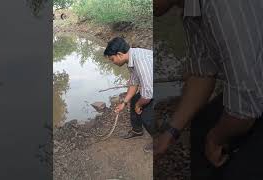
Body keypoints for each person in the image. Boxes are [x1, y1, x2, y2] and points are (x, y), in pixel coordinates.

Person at [155, 0, 263, 179]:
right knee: (202, 124)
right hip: (255, 88)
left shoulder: (221, 5)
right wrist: (170, 133)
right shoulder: (193, 10)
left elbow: (245, 108)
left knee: (239, 169)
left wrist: (216, 138)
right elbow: (202, 73)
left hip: (253, 95)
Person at [104, 37, 155, 152]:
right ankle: (137, 130)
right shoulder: (131, 58)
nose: (113, 62)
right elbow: (134, 83)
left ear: (120, 54)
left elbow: (148, 95)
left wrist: (139, 105)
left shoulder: (140, 62)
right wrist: (124, 103)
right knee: (134, 100)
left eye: (112, 59)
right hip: (151, 89)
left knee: (146, 115)